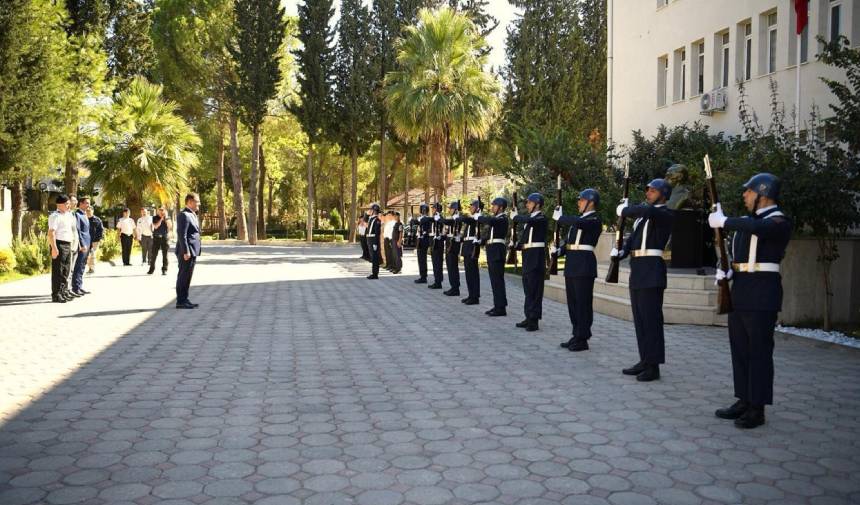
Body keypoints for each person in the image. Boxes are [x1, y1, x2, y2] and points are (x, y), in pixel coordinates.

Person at [708, 173, 792, 429]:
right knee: (741, 350)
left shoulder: (779, 221)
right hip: (742, 290)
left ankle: (758, 408)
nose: (744, 195)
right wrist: (729, 271)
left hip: (762, 294)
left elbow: (759, 228)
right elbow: (741, 251)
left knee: (759, 353)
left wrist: (725, 220)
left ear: (763, 195)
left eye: (748, 191)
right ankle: (744, 399)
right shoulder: (747, 222)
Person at [612, 178, 675, 382]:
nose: (648, 193)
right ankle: (644, 359)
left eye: (652, 191)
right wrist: (621, 252)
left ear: (663, 194)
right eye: (647, 189)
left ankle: (653, 366)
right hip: (638, 270)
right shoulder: (643, 218)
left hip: (652, 271)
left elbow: (646, 211)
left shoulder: (664, 213)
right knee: (640, 320)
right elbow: (632, 241)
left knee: (651, 321)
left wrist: (626, 209)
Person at [552, 189, 603, 352]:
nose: (578, 202)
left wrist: (561, 218)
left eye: (581, 200)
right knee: (573, 303)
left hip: (584, 265)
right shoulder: (578, 221)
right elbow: (569, 242)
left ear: (591, 202)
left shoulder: (595, 219)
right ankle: (576, 333)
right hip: (572, 264)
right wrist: (559, 251)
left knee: (583, 303)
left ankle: (583, 338)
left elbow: (579, 223)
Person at [512, 193, 548, 331]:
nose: (527, 205)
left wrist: (516, 217)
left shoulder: (540, 218)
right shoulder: (530, 220)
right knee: (528, 289)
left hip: (536, 258)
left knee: (535, 289)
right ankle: (528, 316)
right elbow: (526, 239)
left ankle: (534, 320)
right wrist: (516, 245)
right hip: (528, 256)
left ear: (537, 204)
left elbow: (530, 221)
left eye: (529, 202)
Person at [477, 197, 509, 316]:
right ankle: (498, 305)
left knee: (497, 281)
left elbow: (490, 221)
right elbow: (490, 234)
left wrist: (479, 217)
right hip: (492, 251)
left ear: (500, 207)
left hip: (497, 251)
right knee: (494, 281)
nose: (492, 207)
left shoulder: (502, 219)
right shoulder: (496, 219)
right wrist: (481, 240)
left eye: (494, 206)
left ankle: (501, 308)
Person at [175, 193, 202, 309]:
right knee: (183, 275)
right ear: (190, 202)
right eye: (197, 202)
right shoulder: (184, 215)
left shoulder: (192, 214)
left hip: (192, 250)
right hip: (186, 251)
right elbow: (182, 235)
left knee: (187, 276)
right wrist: (186, 251)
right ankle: (180, 301)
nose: (198, 204)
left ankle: (185, 298)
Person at [47, 195, 75, 303]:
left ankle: (63, 292)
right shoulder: (55, 216)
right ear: (60, 205)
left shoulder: (68, 215)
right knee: (58, 271)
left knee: (66, 270)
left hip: (67, 244)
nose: (69, 205)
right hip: (58, 244)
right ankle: (56, 294)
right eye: (67, 204)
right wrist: (54, 248)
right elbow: (51, 233)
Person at [458, 199, 483, 305]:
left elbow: (467, 219)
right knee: (468, 272)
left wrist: (460, 213)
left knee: (473, 273)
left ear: (477, 208)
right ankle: (471, 295)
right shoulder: (472, 218)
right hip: (467, 247)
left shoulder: (477, 219)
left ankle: (475, 296)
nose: (470, 208)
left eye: (472, 206)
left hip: (473, 247)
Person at [70, 197, 92, 296]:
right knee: (78, 266)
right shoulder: (77, 214)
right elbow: (78, 231)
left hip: (88, 243)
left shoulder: (84, 214)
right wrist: (82, 244)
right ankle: (75, 287)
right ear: (81, 203)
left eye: (89, 203)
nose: (88, 205)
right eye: (86, 203)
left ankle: (79, 285)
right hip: (82, 244)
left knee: (83, 266)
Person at [440, 201, 462, 296]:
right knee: (450, 266)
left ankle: (455, 288)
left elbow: (449, 222)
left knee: (453, 266)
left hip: (454, 245)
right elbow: (448, 232)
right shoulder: (453, 218)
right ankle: (453, 286)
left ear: (456, 210)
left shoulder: (457, 219)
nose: (450, 210)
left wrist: (440, 219)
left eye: (451, 208)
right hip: (449, 243)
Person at [149, 207, 171, 275]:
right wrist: (161, 219)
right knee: (154, 254)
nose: (161, 212)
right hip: (156, 238)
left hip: (164, 238)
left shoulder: (167, 218)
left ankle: (164, 269)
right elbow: (156, 226)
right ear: (157, 211)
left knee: (165, 255)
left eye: (163, 210)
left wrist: (166, 218)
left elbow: (170, 226)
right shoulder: (154, 218)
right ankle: (151, 269)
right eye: (160, 210)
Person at [428, 203, 445, 289]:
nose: (432, 210)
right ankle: (437, 280)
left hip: (438, 243)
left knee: (437, 262)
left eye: (434, 208)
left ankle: (438, 282)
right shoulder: (435, 218)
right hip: (433, 242)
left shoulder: (440, 218)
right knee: (435, 262)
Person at [414, 204, 432, 284]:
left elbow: (421, 221)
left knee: (422, 258)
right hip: (420, 239)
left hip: (424, 240)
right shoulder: (422, 218)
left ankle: (423, 277)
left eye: (422, 210)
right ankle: (422, 275)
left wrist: (417, 220)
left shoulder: (426, 218)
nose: (422, 211)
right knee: (420, 258)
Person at [365, 203, 382, 279]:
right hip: (369, 239)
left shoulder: (377, 220)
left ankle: (375, 274)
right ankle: (373, 273)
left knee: (375, 258)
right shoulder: (371, 218)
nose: (370, 211)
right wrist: (366, 214)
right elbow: (365, 221)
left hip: (373, 240)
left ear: (374, 211)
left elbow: (377, 233)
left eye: (371, 209)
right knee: (372, 257)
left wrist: (375, 243)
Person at [86, 207, 103, 274]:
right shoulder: (84, 219)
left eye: (90, 211)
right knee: (87, 255)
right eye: (87, 211)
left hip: (95, 240)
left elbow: (101, 230)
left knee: (92, 254)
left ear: (92, 211)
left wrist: (100, 238)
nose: (88, 212)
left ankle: (92, 268)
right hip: (86, 240)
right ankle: (89, 267)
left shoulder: (97, 219)